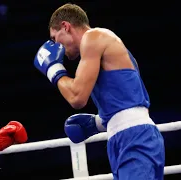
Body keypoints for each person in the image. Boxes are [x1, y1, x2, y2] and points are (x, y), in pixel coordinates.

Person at [34, 3, 165, 180]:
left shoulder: (94, 37)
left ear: (65, 26)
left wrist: (53, 69)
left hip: (134, 138)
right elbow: (128, 99)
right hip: (127, 138)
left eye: (55, 38)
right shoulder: (103, 47)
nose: (57, 48)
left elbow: (77, 97)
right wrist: (98, 123)